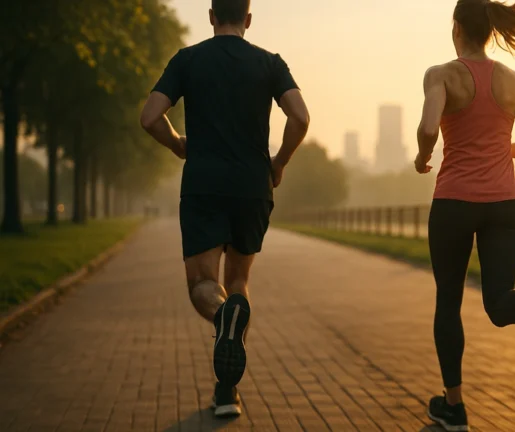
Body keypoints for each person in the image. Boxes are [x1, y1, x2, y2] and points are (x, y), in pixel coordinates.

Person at [414, 0, 515, 430]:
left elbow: (430, 127)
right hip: (507, 205)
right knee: (498, 302)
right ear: (489, 31)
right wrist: (494, 150)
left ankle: (454, 407)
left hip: (454, 203)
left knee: (448, 304)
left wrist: (422, 155)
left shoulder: (442, 74)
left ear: (456, 29)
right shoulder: (513, 80)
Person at [139, 0, 309, 418]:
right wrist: (279, 162)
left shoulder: (188, 60)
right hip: (253, 187)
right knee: (238, 284)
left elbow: (149, 117)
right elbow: (301, 117)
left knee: (203, 284)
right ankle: (226, 392)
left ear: (211, 15)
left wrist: (178, 142)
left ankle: (220, 319)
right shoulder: (270, 63)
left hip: (204, 185)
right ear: (248, 19)